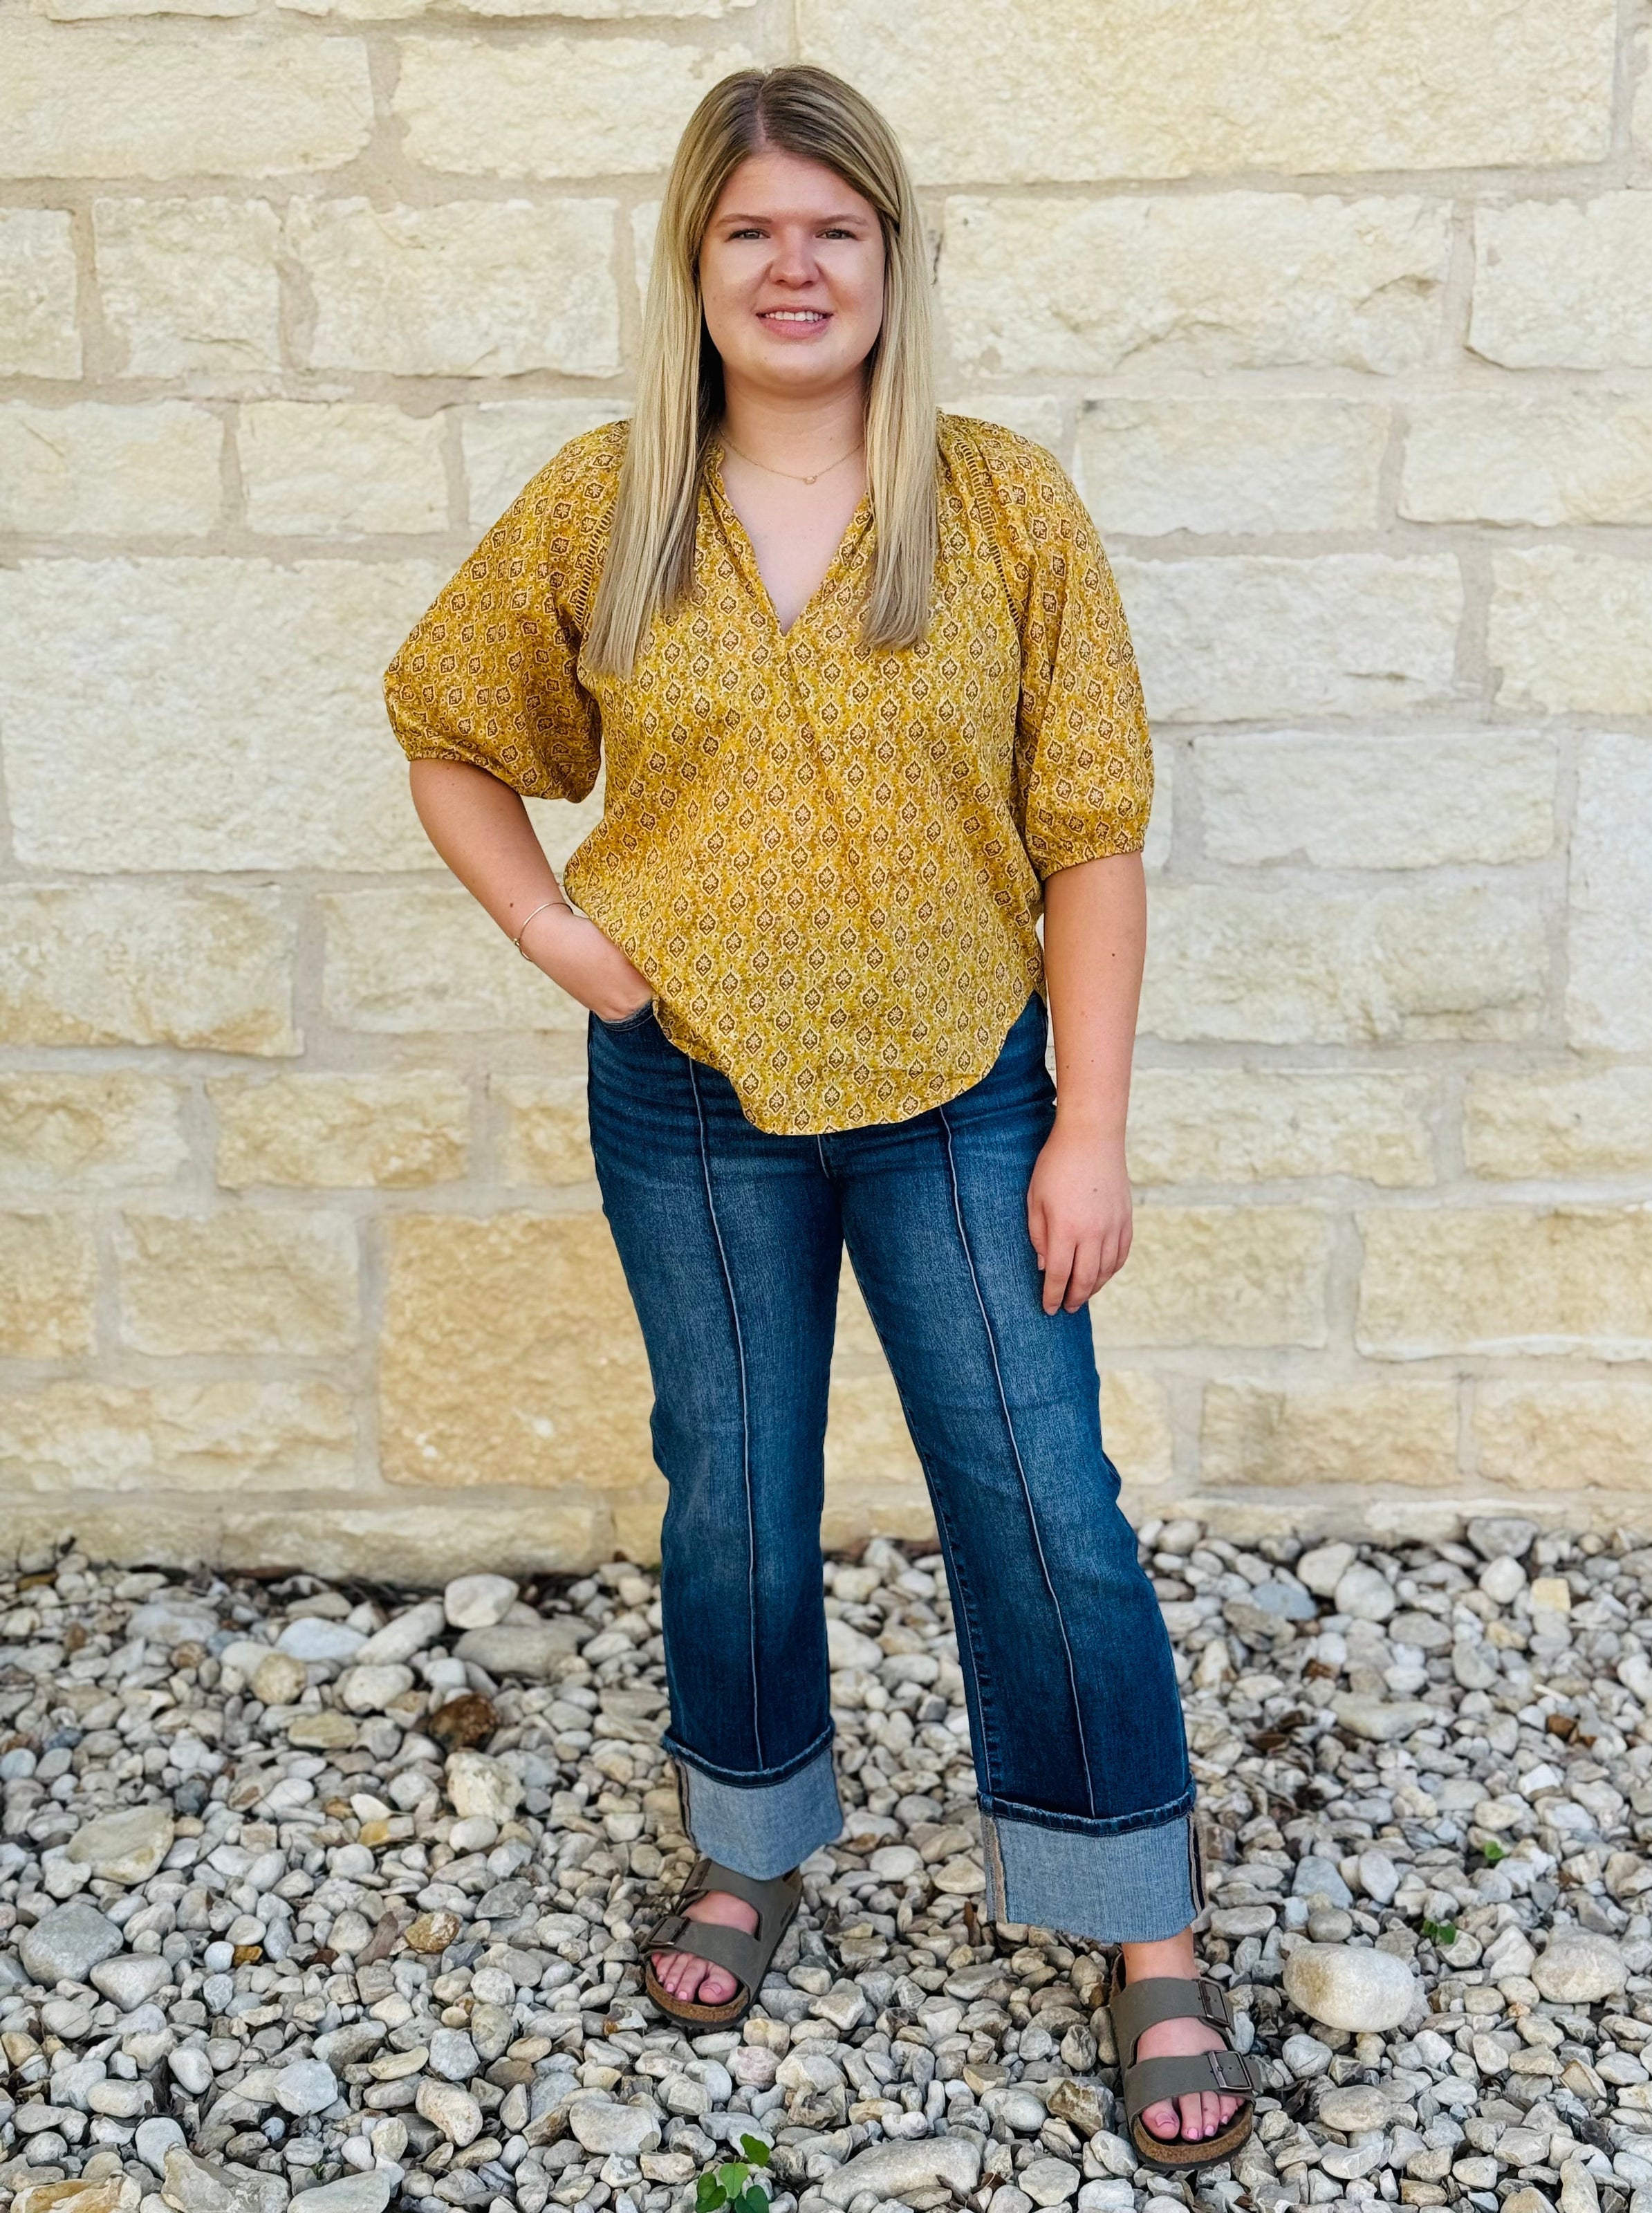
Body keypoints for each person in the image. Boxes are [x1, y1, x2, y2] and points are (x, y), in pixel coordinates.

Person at [383, 64, 1261, 2167]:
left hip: (966, 1097)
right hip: (689, 1099)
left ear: (892, 257)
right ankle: (752, 1837)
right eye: (752, 230)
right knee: (733, 1489)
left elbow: (1095, 835)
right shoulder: (610, 504)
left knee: (1039, 1490)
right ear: (694, 262)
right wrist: (560, 935)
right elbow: (446, 725)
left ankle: (1136, 1912)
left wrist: (1092, 1124)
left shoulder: (1003, 506)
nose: (796, 268)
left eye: (835, 230)